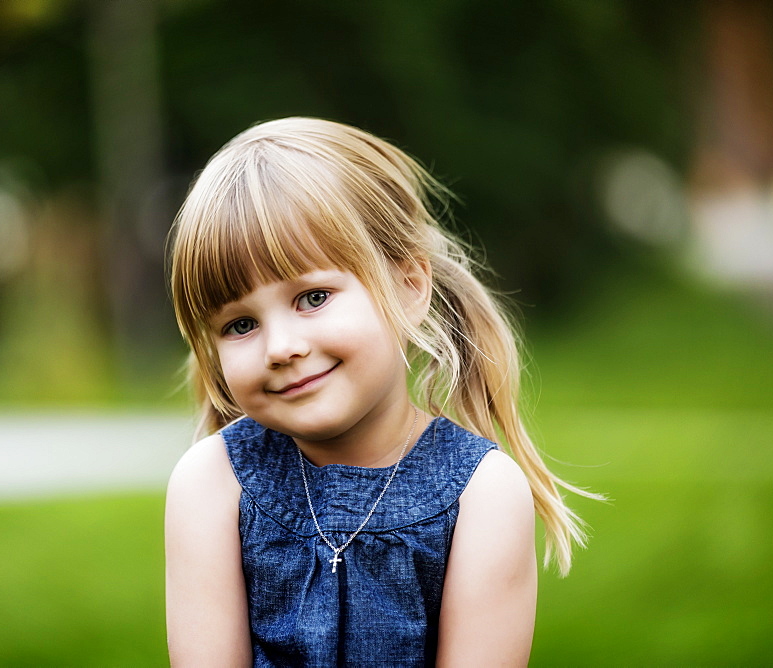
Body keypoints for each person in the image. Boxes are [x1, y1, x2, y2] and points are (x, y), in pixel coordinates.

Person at [165, 117, 596, 666]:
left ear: (409, 287)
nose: (280, 347)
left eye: (313, 297)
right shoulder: (212, 485)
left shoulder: (481, 495)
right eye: (240, 324)